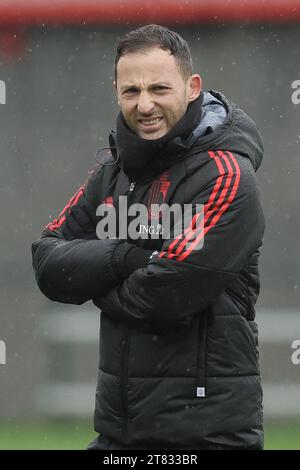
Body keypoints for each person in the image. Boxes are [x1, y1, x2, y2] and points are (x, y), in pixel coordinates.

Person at [31, 24, 265, 450]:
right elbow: (48, 262)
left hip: (206, 438)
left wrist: (95, 279)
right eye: (131, 91)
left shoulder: (226, 175)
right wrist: (126, 260)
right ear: (116, 91)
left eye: (159, 88)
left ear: (192, 87)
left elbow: (166, 295)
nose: (145, 104)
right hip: (119, 435)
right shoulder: (113, 171)